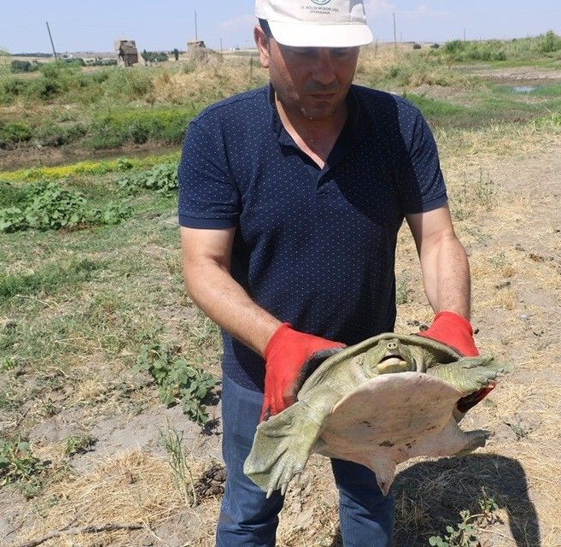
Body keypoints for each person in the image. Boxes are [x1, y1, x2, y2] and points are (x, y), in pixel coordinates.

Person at [177, 1, 490, 544]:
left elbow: (437, 237)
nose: (327, 72)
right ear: (262, 44)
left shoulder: (398, 125)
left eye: (343, 51)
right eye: (303, 51)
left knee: (369, 501)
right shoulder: (220, 134)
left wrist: (453, 321)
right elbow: (203, 265)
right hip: (264, 375)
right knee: (251, 510)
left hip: (372, 374)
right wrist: (275, 343)